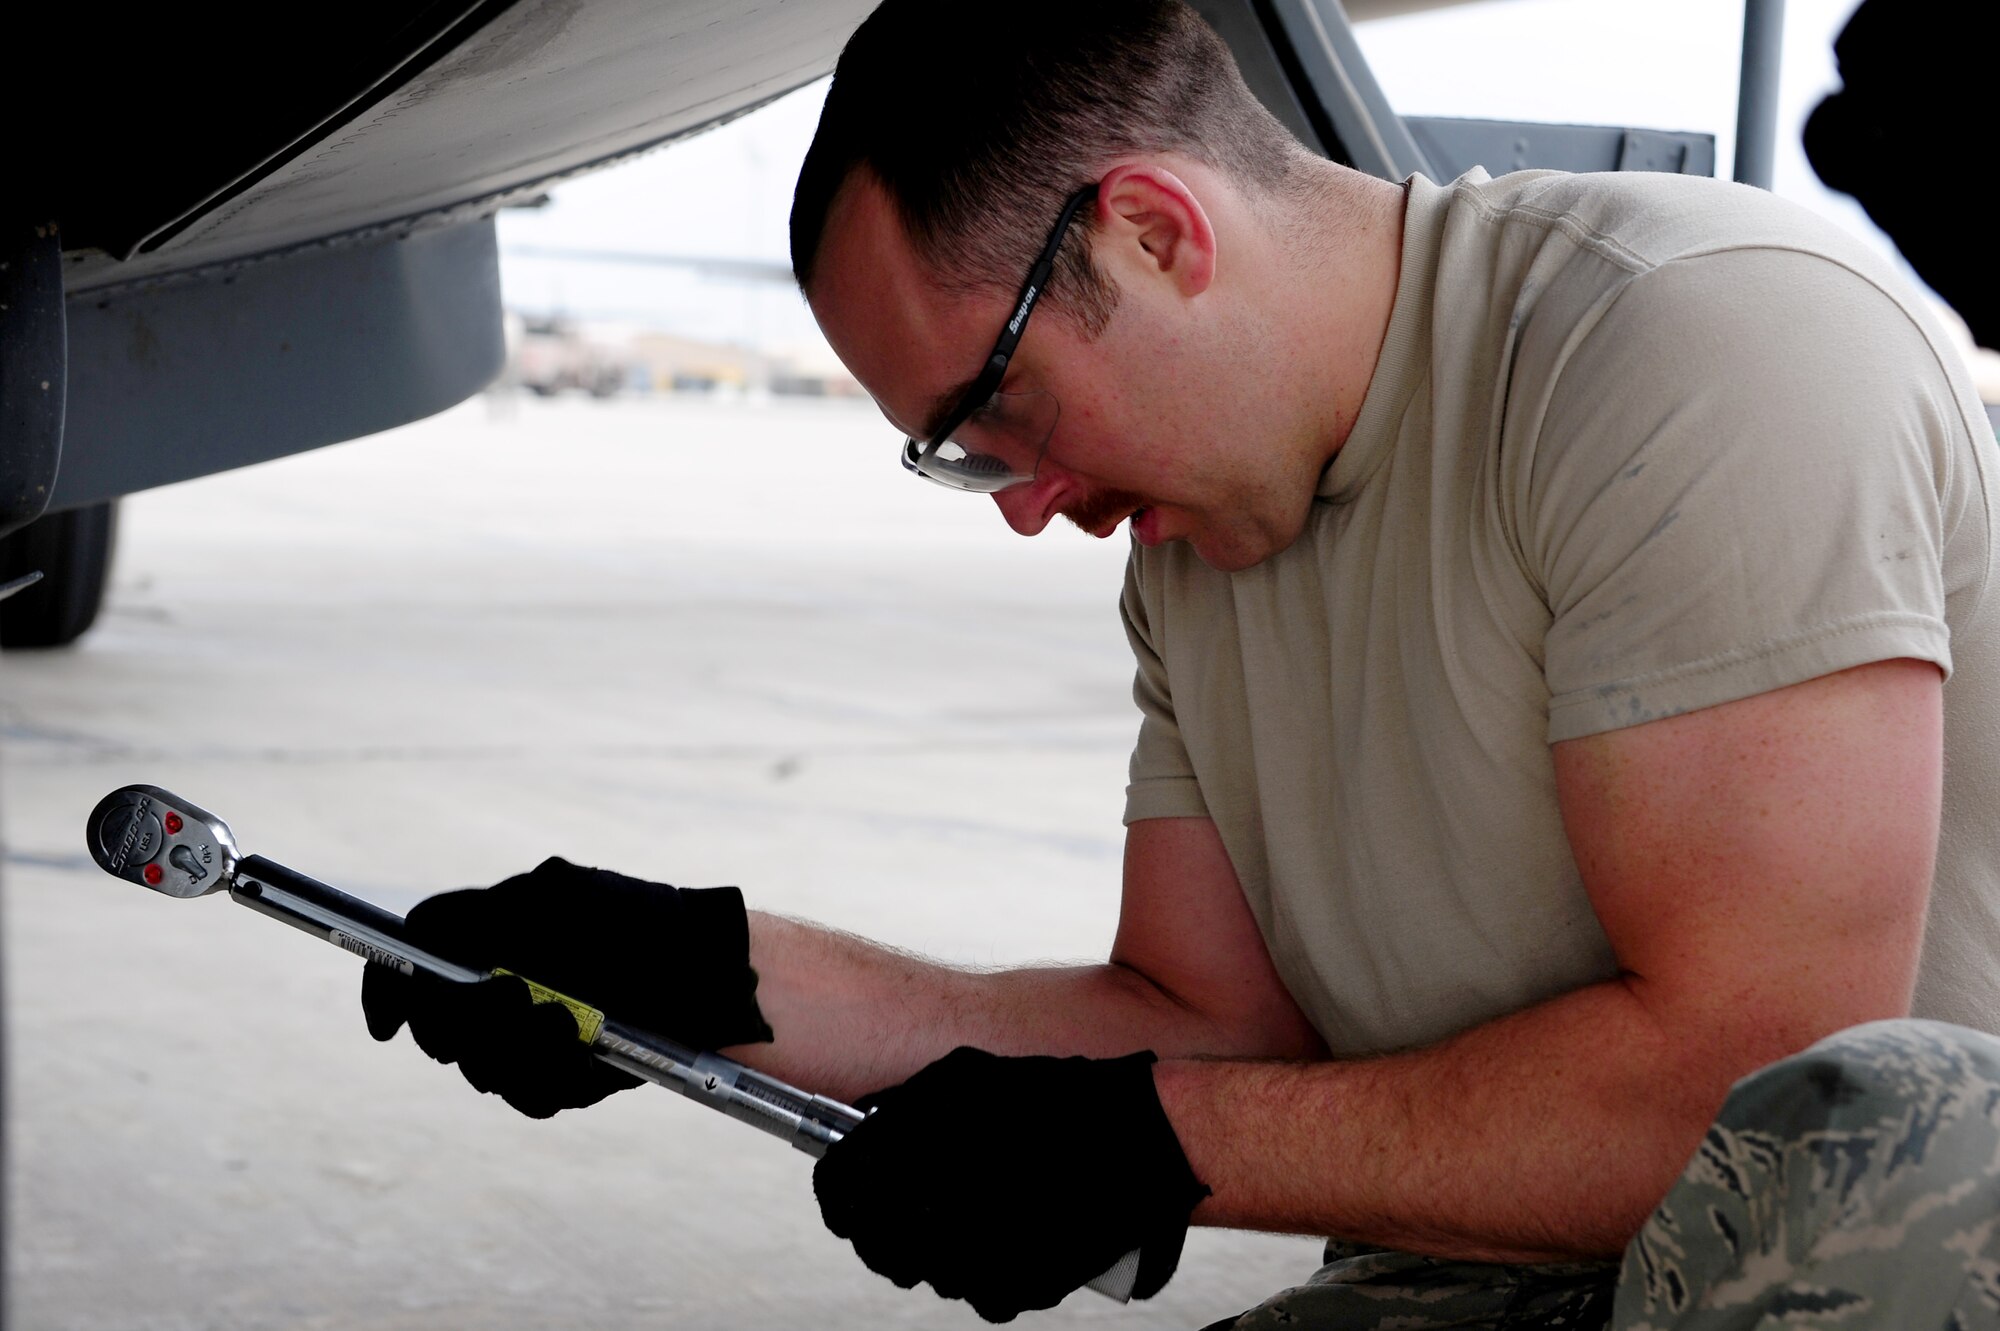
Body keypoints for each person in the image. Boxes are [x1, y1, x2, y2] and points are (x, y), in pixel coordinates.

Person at [360, 2, 2000, 1326]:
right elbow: (1204, 1024)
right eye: (959, 459)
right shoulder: (1199, 547)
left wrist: (1149, 1147)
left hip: (1864, 1267)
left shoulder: (1687, 343)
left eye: (998, 419)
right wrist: (711, 980)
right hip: (1517, 1273)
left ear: (1152, 233)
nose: (1026, 510)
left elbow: (1750, 1099)